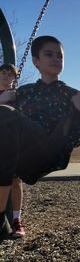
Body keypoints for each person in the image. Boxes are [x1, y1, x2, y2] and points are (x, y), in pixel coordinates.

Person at [0, 36, 80, 238]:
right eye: (49, 54)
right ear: (35, 61)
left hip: (52, 149)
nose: (56, 59)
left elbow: (76, 140)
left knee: (4, 112)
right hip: (26, 154)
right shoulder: (24, 92)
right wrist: (4, 100)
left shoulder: (71, 94)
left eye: (60, 56)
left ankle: (7, 218)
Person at [0, 63, 25, 238]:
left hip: (13, 143)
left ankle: (17, 221)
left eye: (11, 75)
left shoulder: (18, 97)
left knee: (15, 181)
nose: (7, 76)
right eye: (3, 73)